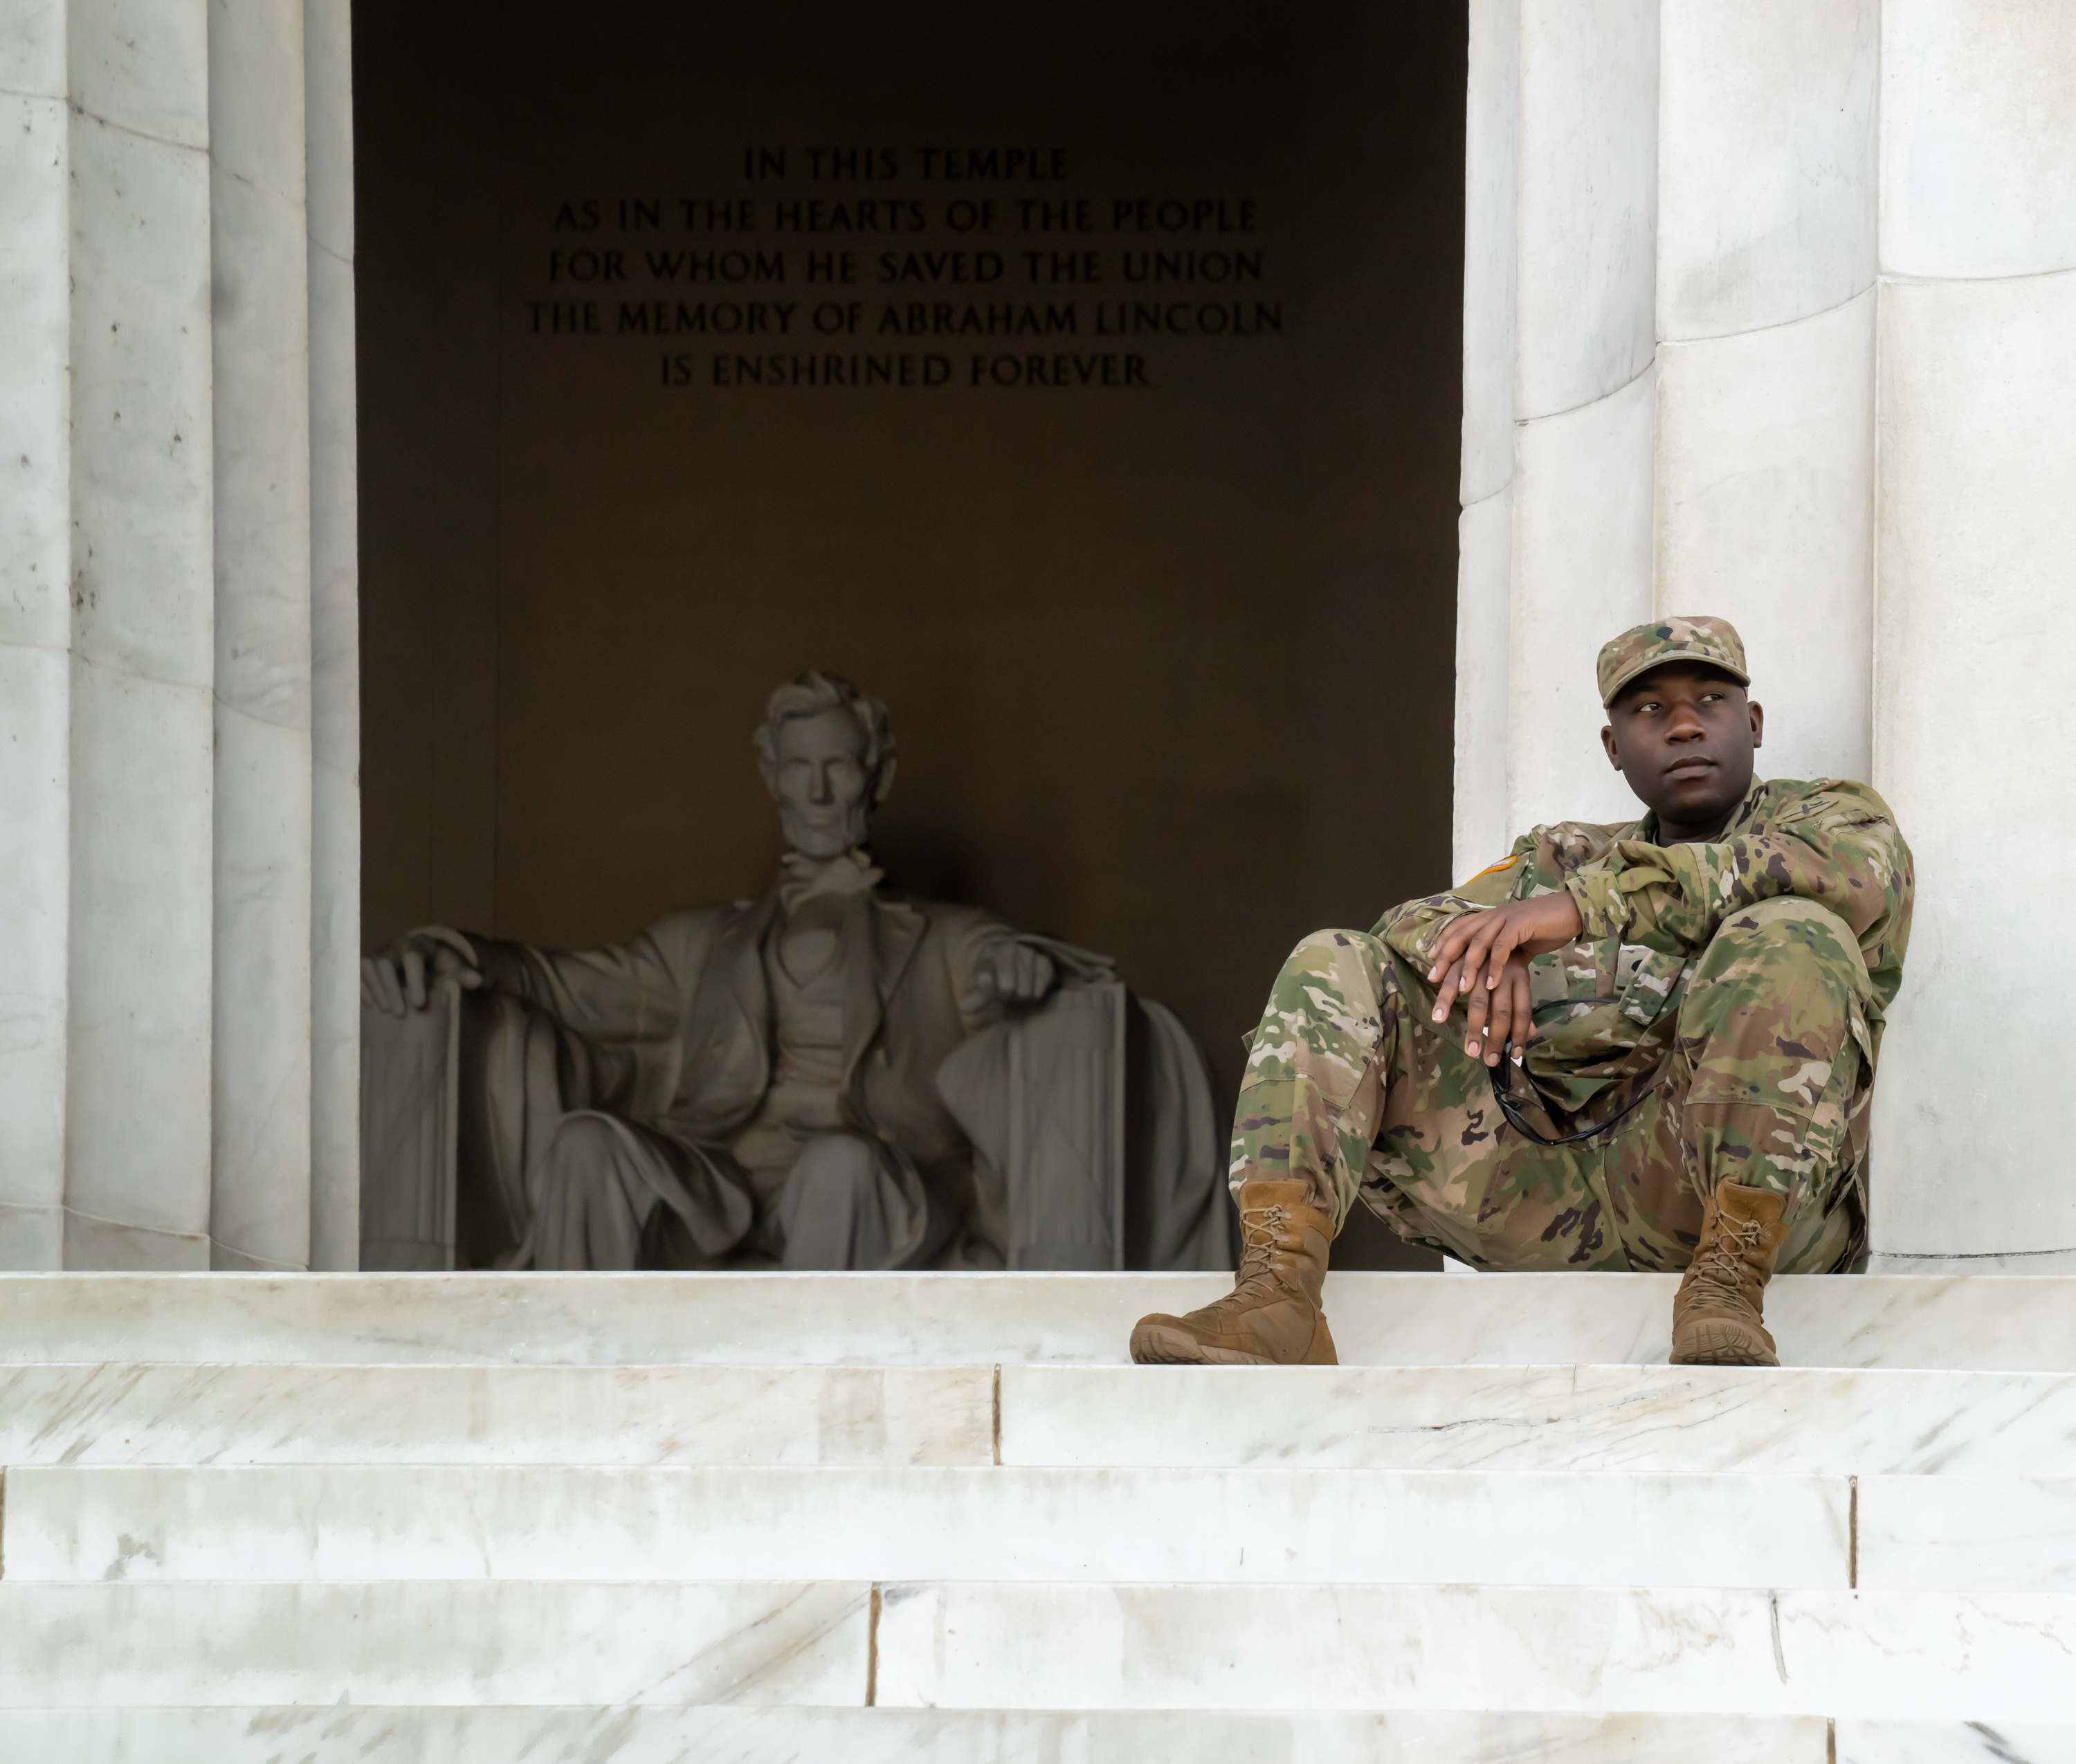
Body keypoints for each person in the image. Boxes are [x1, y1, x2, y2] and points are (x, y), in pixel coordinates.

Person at [1131, 617, 1914, 1368]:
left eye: (1710, 701)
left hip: (1723, 1197)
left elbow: (1846, 878)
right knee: (1333, 960)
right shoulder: (1562, 854)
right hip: (1541, 1187)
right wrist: (1496, 941)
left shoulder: (1833, 820)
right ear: (1613, 747)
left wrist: (1576, 910)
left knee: (1787, 933)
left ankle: (1728, 1279)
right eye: (1650, 709)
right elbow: (1410, 920)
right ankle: (1277, 1289)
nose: (1683, 726)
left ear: (1755, 721)